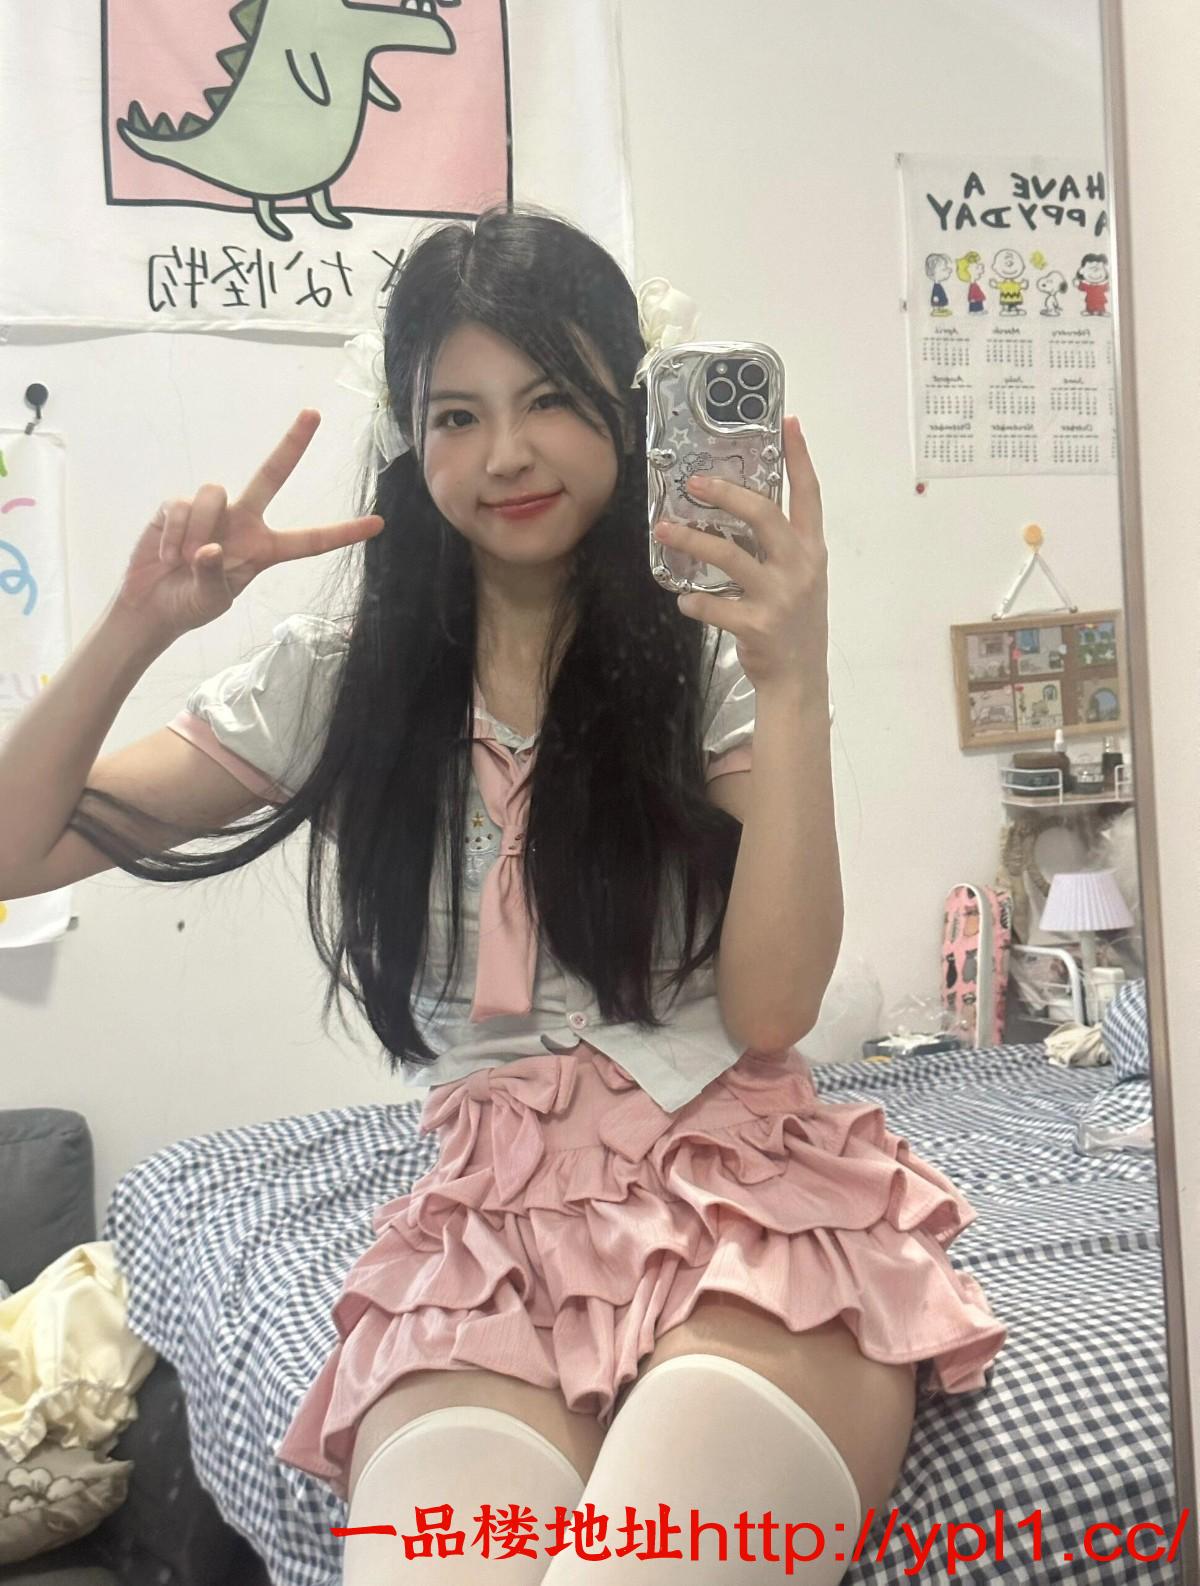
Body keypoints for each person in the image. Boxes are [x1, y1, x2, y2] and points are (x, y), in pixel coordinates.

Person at [0, 205, 1007, 1583]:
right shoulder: (345, 675)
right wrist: (139, 623)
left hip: (747, 1199)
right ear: (409, 438)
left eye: (549, 400)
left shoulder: (709, 649)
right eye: (457, 416)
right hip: (487, 1239)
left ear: (628, 409)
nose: (506, 454)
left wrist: (796, 676)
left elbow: (774, 1007)